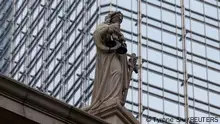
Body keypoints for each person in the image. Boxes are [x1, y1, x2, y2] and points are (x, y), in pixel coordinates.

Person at [84, 11, 134, 113]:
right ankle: (108, 99)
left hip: (115, 56)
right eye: (116, 18)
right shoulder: (103, 26)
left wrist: (121, 40)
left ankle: (114, 97)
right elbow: (97, 35)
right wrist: (109, 29)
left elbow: (122, 52)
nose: (118, 20)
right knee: (116, 72)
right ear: (111, 18)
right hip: (106, 58)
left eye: (120, 19)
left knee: (118, 73)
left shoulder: (120, 34)